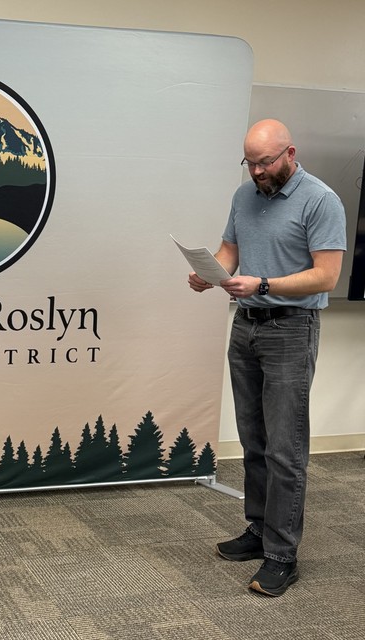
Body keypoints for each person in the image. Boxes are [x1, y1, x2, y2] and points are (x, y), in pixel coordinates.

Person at [189, 119, 346, 597]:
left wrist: (262, 285)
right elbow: (230, 250)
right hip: (247, 328)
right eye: (250, 162)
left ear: (290, 153)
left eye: (265, 162)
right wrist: (210, 272)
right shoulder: (244, 197)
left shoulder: (321, 200)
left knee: (285, 448)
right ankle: (257, 532)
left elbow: (326, 277)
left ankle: (282, 555)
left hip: (291, 331)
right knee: (254, 439)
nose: (257, 171)